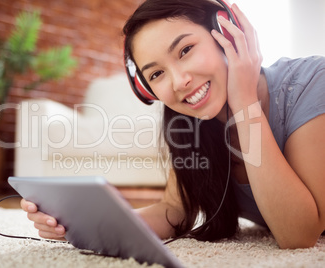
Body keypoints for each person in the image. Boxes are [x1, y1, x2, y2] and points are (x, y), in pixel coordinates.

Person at [21, 0, 325, 249]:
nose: (179, 82)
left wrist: (244, 101)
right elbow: (173, 210)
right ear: (146, 90)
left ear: (227, 34)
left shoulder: (312, 82)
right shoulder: (191, 124)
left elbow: (298, 236)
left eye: (185, 50)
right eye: (156, 75)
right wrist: (85, 225)